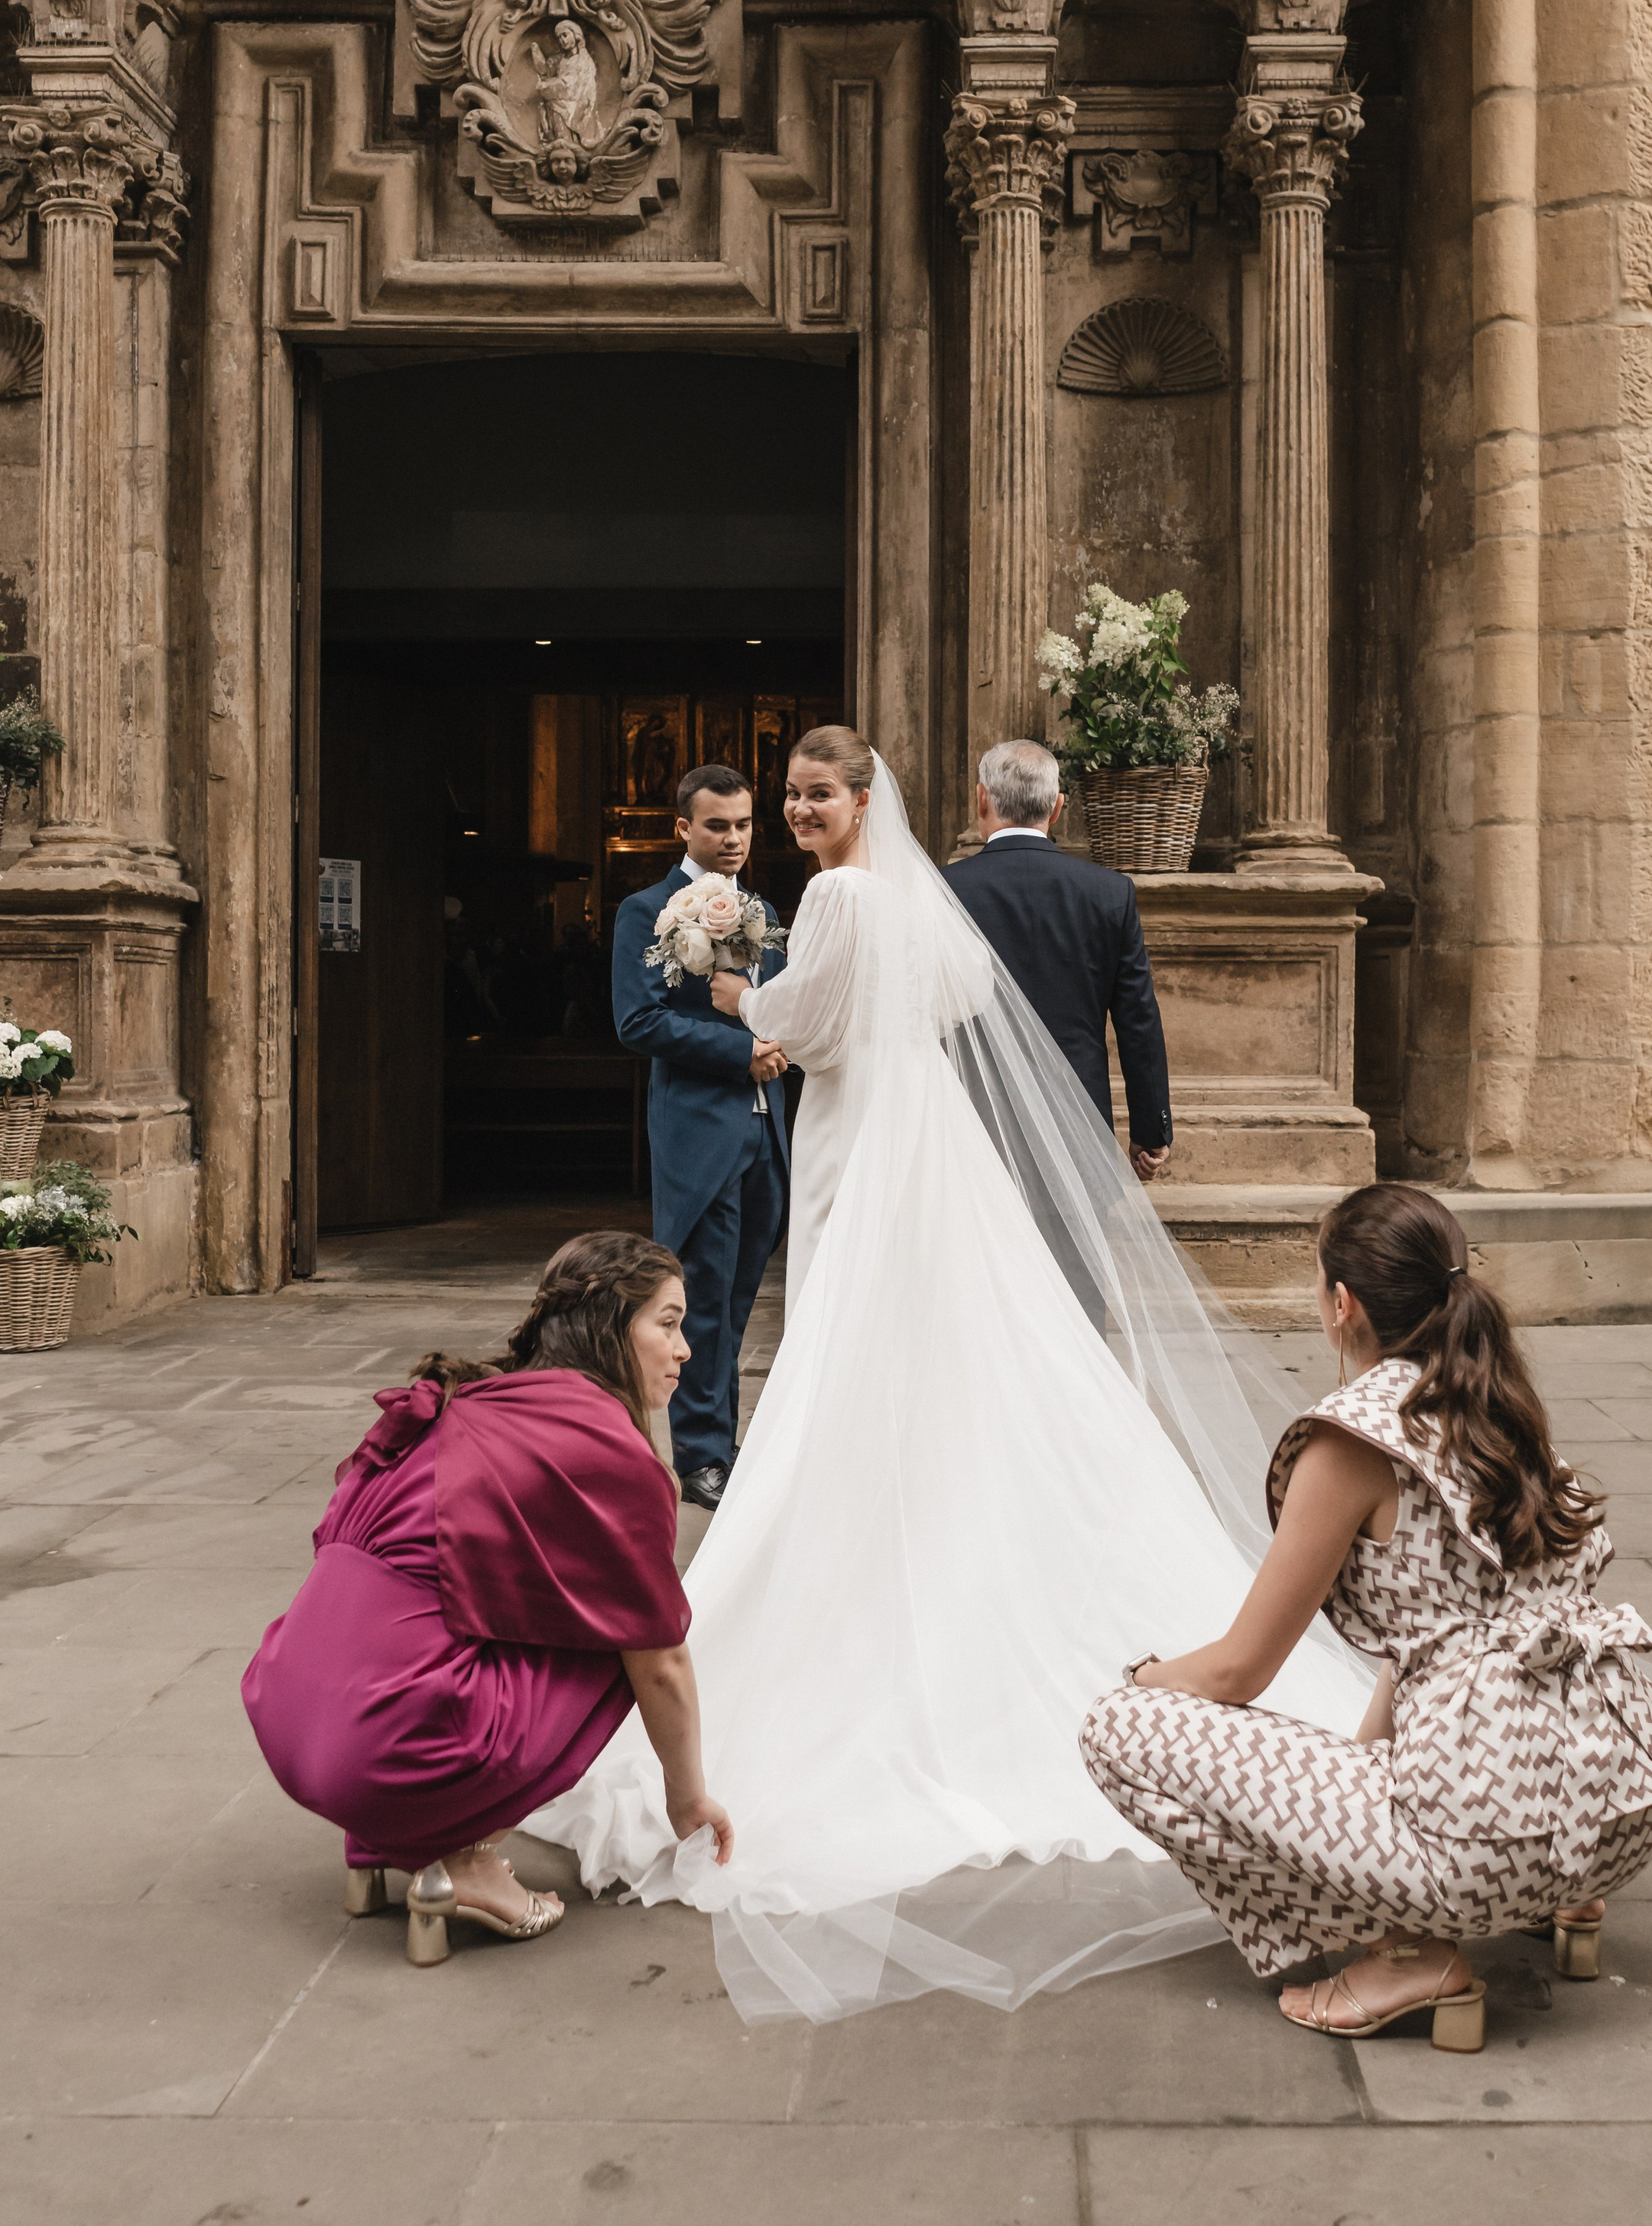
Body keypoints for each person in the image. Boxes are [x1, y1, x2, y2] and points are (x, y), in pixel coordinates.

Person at [528, 727, 1381, 2023]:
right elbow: (962, 1003)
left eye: (821, 794)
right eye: (797, 796)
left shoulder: (838, 895)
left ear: (863, 800)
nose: (806, 811)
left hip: (865, 1143)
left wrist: (731, 991)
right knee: (948, 1342)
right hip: (919, 1130)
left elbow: (801, 1025)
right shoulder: (915, 897)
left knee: (849, 1346)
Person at [1079, 1185, 1652, 2052]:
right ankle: (1560, 1903)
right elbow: (1448, 1629)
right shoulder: (1495, 1399)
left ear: (1341, 1305)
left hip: (1484, 1852)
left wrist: (1143, 1678)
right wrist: (1365, 1770)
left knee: (1116, 1730)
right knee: (1432, 1716)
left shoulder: (1351, 1441)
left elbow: (1240, 1670)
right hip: (1615, 1814)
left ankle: (1409, 1951)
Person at [242, 1232, 730, 1967]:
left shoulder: (479, 1397)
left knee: (495, 1611)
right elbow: (661, 1663)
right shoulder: (598, 1446)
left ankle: (377, 1844)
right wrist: (687, 1798)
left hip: (290, 1713)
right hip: (387, 1746)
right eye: (666, 1322)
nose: (684, 1349)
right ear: (607, 1327)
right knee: (628, 1637)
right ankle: (461, 1861)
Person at [611, 763, 788, 1508]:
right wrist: (739, 1050)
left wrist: (775, 1030)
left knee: (741, 1297)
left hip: (766, 1135)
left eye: (744, 824)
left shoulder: (764, 908)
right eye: (717, 825)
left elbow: (781, 1002)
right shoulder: (645, 910)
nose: (733, 839)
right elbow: (639, 1020)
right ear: (683, 827)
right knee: (700, 1301)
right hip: (698, 1134)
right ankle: (701, 1457)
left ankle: (723, 1439)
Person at [944, 738, 1172, 1183]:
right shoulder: (1109, 892)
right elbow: (1138, 1021)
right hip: (1078, 1121)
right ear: (1057, 808)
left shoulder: (945, 888)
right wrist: (1151, 1129)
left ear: (982, 799)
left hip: (974, 1114)